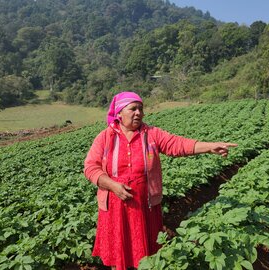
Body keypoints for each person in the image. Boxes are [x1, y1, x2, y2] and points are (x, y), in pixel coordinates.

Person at [84, 91, 237, 270]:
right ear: (119, 113)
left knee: (146, 255)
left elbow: (178, 145)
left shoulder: (151, 134)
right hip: (116, 208)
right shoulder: (105, 137)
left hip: (145, 206)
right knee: (120, 255)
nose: (138, 113)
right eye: (133, 109)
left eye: (141, 109)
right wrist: (112, 185)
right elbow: (90, 168)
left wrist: (209, 147)